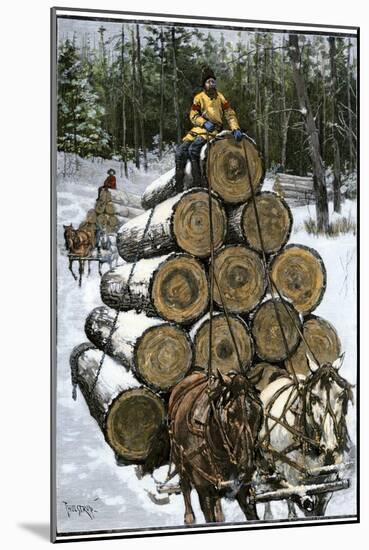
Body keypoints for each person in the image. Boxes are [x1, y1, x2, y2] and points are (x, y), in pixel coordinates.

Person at [174, 67, 243, 192]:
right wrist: (204, 122)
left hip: (213, 130)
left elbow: (230, 114)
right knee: (180, 152)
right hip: (199, 129)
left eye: (213, 81)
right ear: (204, 84)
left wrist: (235, 128)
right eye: (208, 82)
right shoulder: (199, 97)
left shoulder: (221, 98)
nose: (211, 84)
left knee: (193, 150)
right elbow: (193, 115)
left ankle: (197, 184)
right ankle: (178, 186)